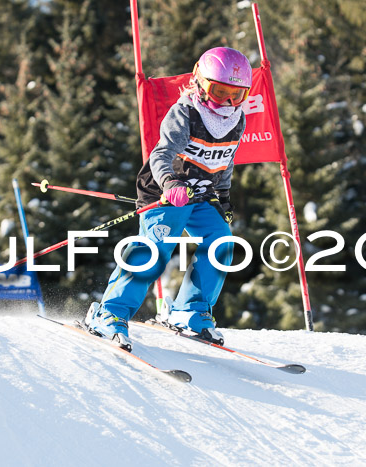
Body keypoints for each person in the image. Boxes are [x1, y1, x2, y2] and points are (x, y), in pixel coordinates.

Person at [85, 47, 252, 351]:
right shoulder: (186, 113)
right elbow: (161, 154)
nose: (228, 102)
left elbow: (226, 160)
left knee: (222, 243)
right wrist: (170, 182)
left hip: (201, 195)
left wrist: (224, 197)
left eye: (236, 95)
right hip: (165, 193)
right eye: (220, 92)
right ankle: (110, 312)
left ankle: (190, 310)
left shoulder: (236, 120)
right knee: (155, 249)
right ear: (200, 82)